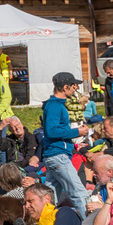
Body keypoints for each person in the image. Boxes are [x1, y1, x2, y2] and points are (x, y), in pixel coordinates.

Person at [38, 72, 89, 210]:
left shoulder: (57, 105)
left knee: (50, 197)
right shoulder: (55, 106)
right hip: (58, 156)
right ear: (65, 87)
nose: (75, 89)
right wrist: (77, 132)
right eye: (73, 86)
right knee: (79, 193)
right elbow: (51, 131)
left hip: (55, 155)